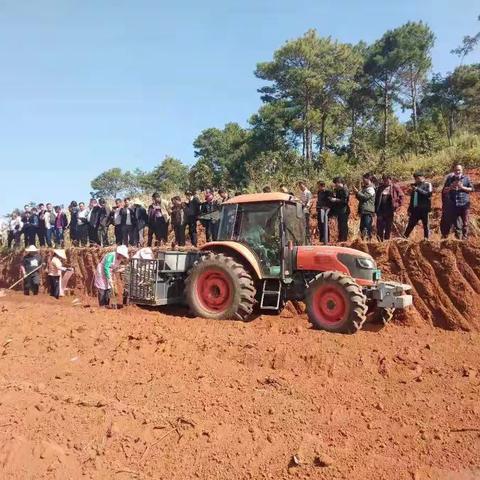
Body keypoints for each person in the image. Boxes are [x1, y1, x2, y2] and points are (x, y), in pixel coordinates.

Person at [442, 164, 474, 240]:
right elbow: (444, 191)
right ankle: (458, 240)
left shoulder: (466, 178)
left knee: (465, 223)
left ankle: (465, 239)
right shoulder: (450, 179)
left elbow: (472, 189)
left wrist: (462, 187)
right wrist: (450, 187)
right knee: (457, 224)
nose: (457, 171)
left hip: (464, 204)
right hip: (454, 204)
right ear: (453, 171)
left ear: (462, 170)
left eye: (459, 170)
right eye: (456, 170)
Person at [404, 172, 433, 239]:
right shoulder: (415, 186)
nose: (416, 179)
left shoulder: (427, 184)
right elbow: (412, 199)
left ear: (422, 177)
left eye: (418, 178)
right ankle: (404, 238)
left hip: (424, 209)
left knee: (426, 226)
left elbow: (429, 194)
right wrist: (409, 209)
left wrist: (418, 189)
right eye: (415, 178)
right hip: (415, 209)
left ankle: (426, 240)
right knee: (410, 225)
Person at [375, 175, 404, 241]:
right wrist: (376, 210)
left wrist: (397, 205)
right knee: (379, 227)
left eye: (387, 180)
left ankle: (386, 241)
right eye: (384, 180)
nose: (385, 181)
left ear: (390, 179)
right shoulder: (380, 188)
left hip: (390, 211)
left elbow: (401, 196)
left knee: (388, 227)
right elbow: (376, 199)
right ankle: (380, 242)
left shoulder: (394, 187)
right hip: (380, 211)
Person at [353, 174, 376, 241]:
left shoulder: (371, 189)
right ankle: (363, 242)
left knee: (367, 228)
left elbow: (365, 197)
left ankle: (368, 242)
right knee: (362, 228)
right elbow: (361, 198)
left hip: (368, 211)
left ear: (368, 179)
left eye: (364, 179)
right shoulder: (365, 188)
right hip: (364, 211)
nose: (363, 180)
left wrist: (357, 192)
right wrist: (357, 193)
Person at [329, 177, 350, 242]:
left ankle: (344, 239)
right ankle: (341, 238)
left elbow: (345, 200)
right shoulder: (338, 189)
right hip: (340, 210)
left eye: (336, 183)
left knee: (343, 225)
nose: (335, 185)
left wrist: (336, 200)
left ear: (339, 182)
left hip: (344, 210)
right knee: (340, 225)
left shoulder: (345, 189)